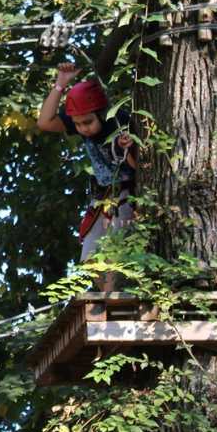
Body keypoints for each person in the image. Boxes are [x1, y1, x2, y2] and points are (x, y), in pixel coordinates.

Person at [37, 62, 136, 290]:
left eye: (88, 122)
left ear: (101, 113)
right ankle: (107, 294)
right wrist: (60, 84)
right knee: (90, 258)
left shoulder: (119, 121)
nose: (83, 129)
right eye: (78, 124)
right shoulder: (81, 119)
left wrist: (128, 147)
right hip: (103, 197)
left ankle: (113, 298)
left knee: (115, 254)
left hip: (127, 195)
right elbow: (45, 122)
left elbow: (137, 166)